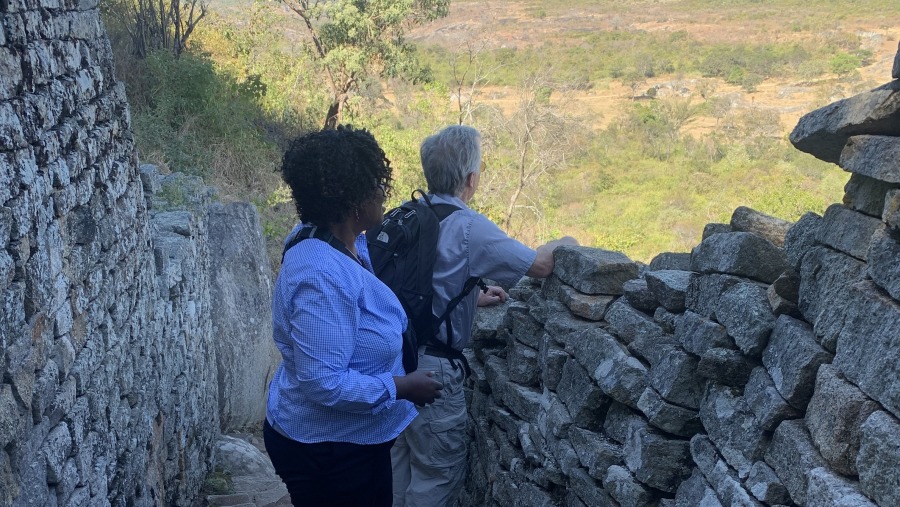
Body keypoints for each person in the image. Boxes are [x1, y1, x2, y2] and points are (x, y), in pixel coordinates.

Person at [390, 125, 578, 506]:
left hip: (392, 363)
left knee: (398, 471)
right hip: (432, 371)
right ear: (471, 179)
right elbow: (539, 265)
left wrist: (470, 298)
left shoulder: (406, 214)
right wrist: (567, 243)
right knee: (436, 478)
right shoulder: (468, 227)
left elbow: (419, 286)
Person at [264, 125, 443, 507]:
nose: (383, 192)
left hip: (346, 440)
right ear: (350, 201)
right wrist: (401, 386)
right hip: (328, 450)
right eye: (375, 184)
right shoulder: (320, 275)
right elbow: (324, 382)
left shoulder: (337, 239)